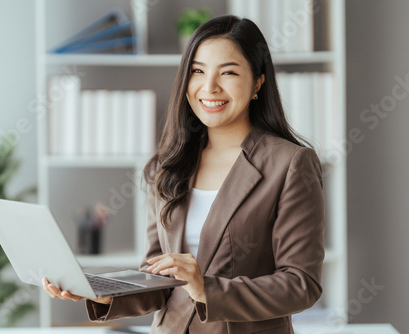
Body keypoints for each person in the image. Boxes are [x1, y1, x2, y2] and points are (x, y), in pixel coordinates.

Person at [43, 15, 325, 334]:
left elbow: (302, 284)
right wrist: (102, 294)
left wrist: (206, 288)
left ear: (258, 81)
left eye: (228, 72)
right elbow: (159, 281)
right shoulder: (167, 165)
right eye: (197, 71)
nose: (209, 87)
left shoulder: (290, 164)